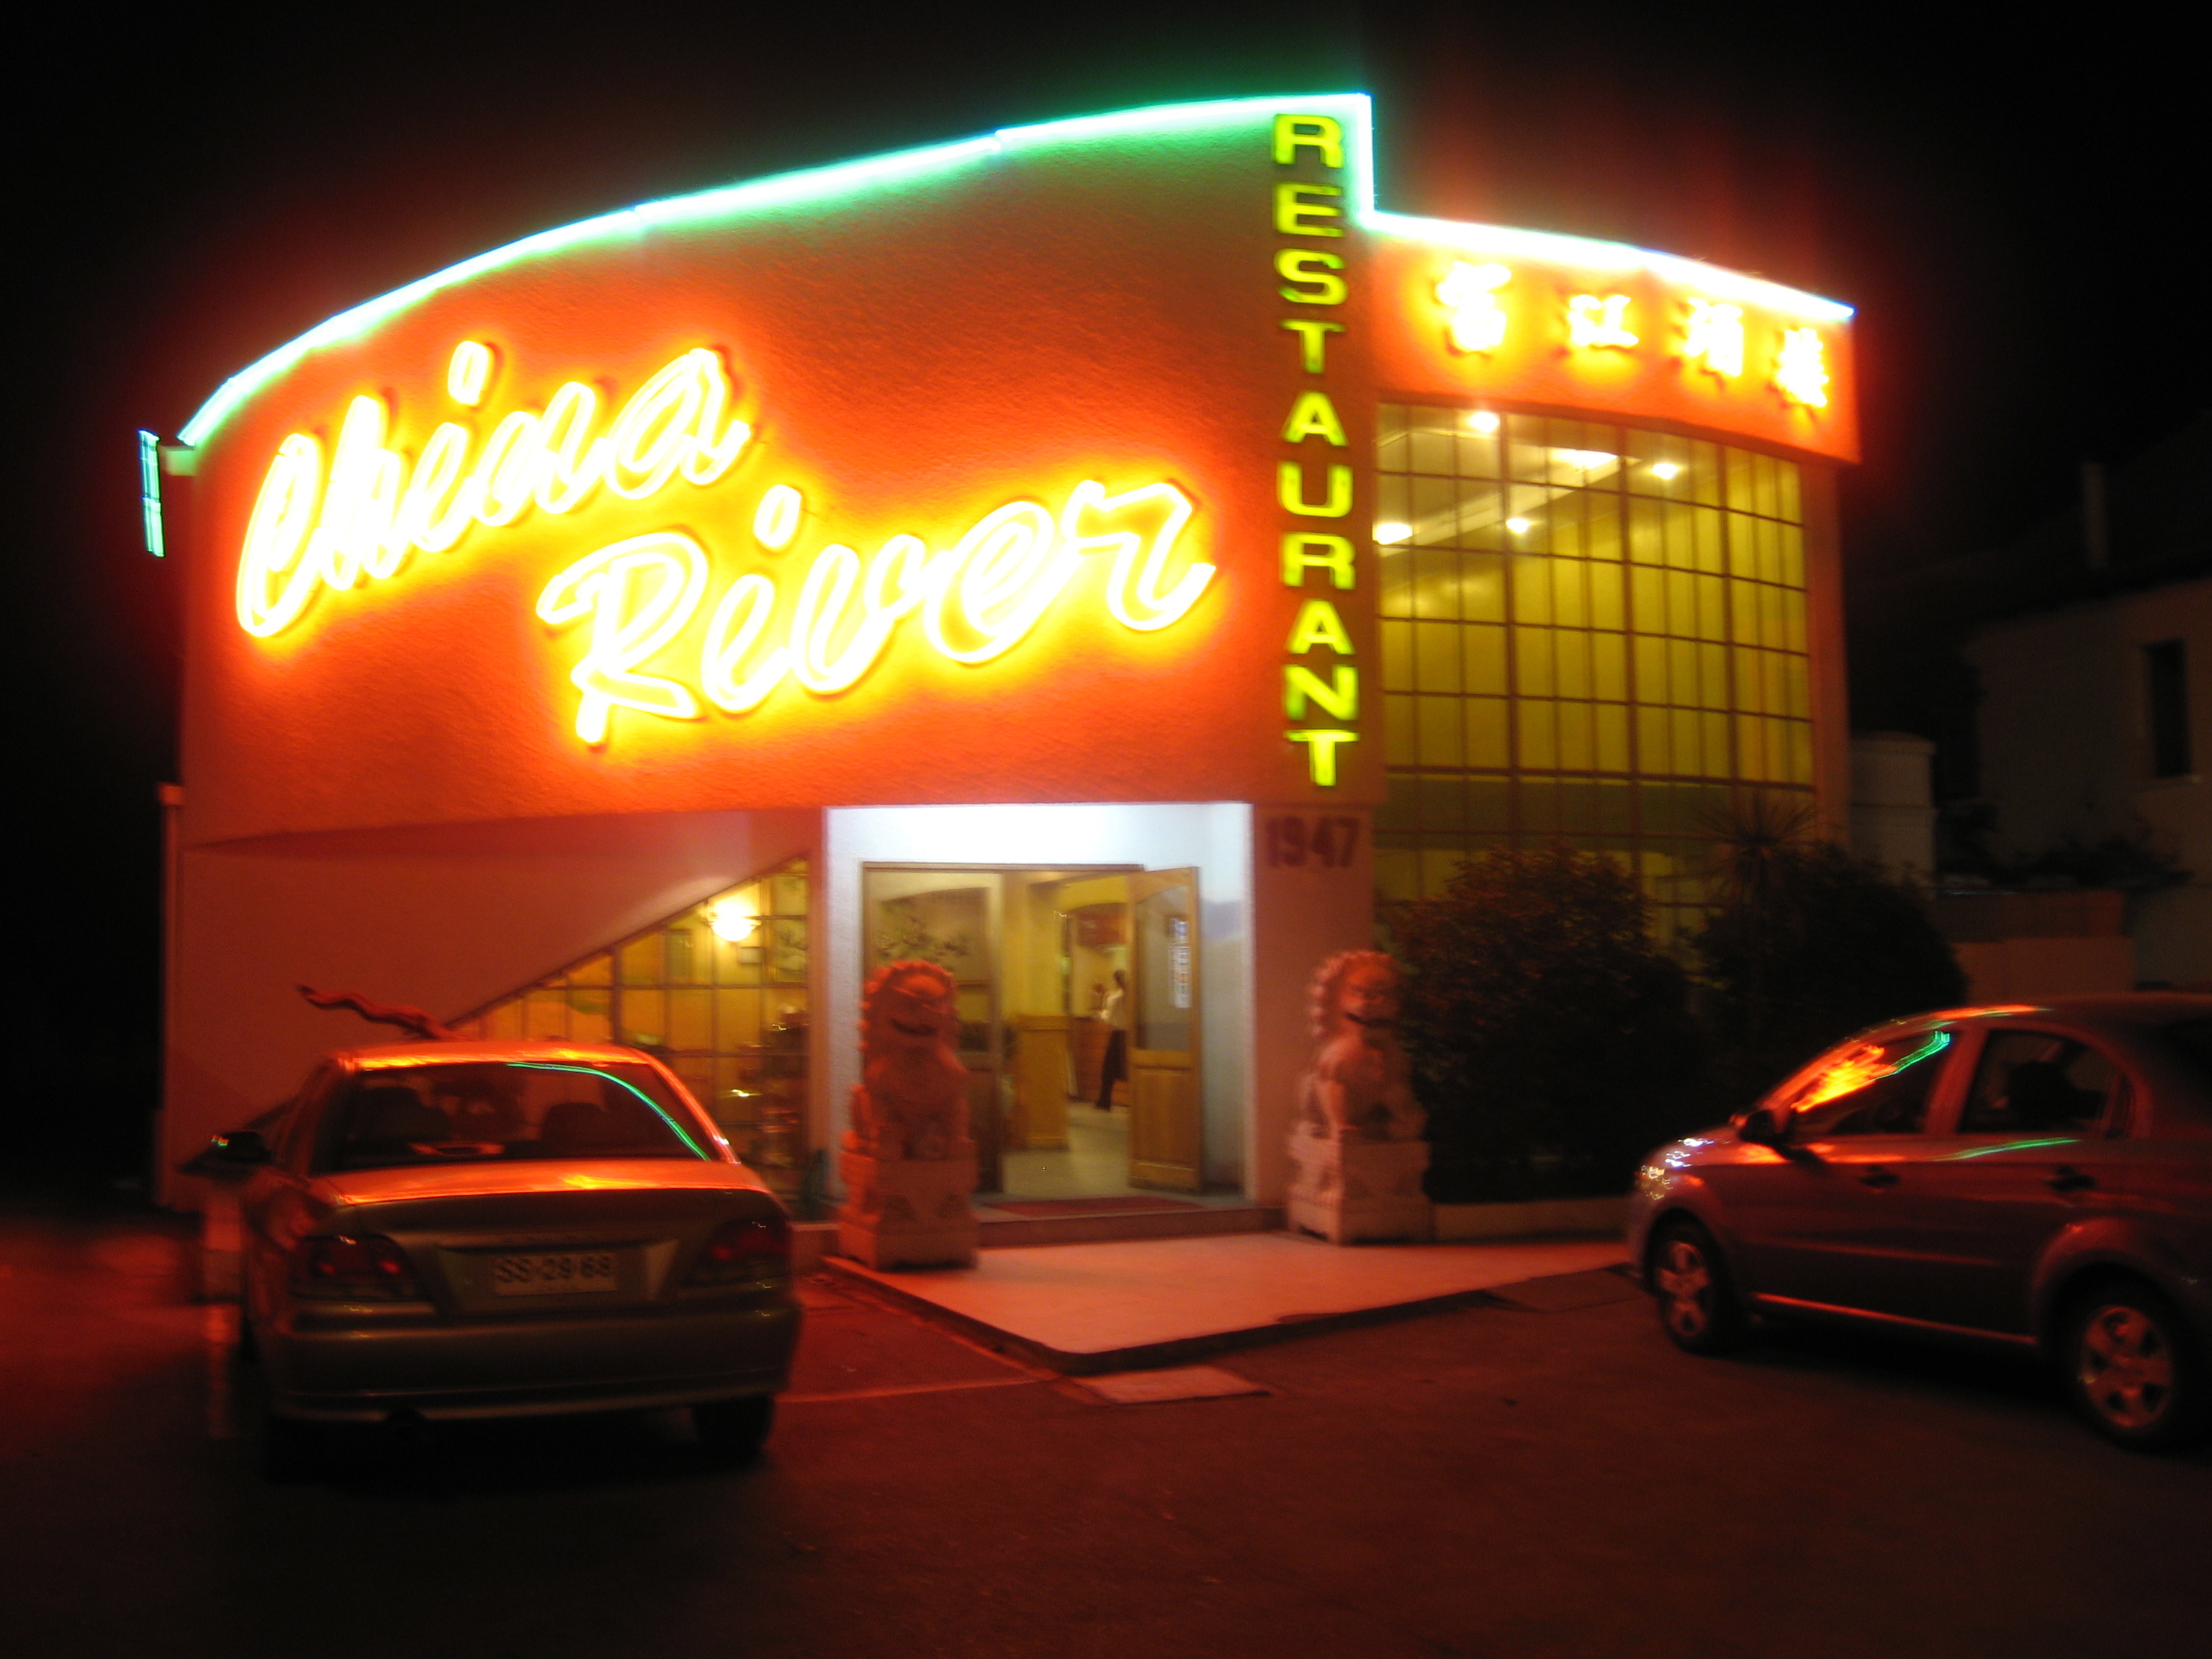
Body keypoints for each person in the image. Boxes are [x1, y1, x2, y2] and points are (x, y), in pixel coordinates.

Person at [1094, 968, 1128, 1112]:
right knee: (1128, 1070)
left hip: (1118, 1035)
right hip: (1133, 1036)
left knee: (1109, 1070)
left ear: (1117, 981)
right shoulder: (1136, 996)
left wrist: (1101, 1012)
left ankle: (1105, 1101)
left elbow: (1109, 1018)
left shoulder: (1114, 998)